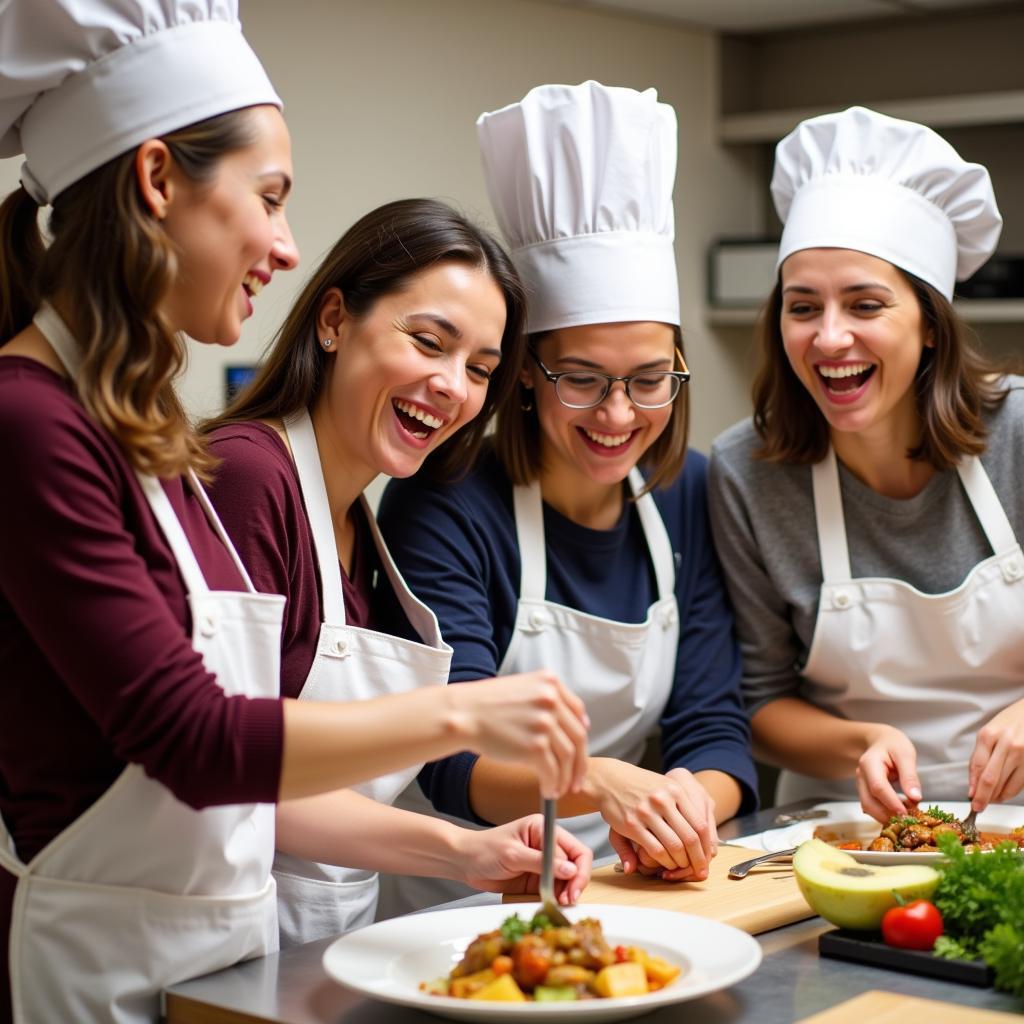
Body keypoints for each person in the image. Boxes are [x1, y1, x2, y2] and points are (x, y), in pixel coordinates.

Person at [0, 5, 589, 1020]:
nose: (284, 245)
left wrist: (459, 849)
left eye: (483, 368)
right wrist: (466, 711)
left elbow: (242, 796)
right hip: (93, 971)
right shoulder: (25, 421)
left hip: (217, 968)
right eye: (269, 198)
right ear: (155, 181)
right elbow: (190, 740)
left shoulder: (144, 435)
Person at [377, 81, 758, 916]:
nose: (619, 416)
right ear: (523, 373)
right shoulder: (444, 502)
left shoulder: (687, 490)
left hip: (622, 880)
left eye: (650, 380)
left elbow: (715, 728)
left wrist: (687, 805)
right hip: (455, 896)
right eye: (581, 379)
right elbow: (454, 759)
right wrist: (607, 784)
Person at [202, 197, 592, 948]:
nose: (452, 386)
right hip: (220, 942)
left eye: (480, 368)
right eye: (427, 342)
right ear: (334, 321)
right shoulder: (249, 477)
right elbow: (230, 767)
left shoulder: (358, 521)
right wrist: (461, 806)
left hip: (314, 947)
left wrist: (477, 853)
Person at [708, 105, 1024, 824]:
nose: (829, 337)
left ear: (931, 326)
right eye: (802, 306)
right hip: (845, 827)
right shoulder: (745, 470)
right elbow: (760, 702)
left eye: (866, 304)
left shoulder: (1020, 433)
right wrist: (864, 742)